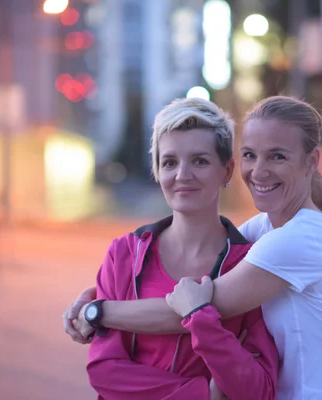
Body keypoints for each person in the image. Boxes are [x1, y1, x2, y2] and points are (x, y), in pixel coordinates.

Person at [65, 96, 322, 400]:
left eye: (277, 156)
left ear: (311, 160)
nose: (259, 171)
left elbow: (190, 308)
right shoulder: (261, 232)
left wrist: (98, 311)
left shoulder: (300, 239)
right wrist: (97, 291)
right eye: (251, 155)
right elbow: (105, 369)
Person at [77, 98, 279, 400]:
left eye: (199, 161)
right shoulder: (124, 256)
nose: (182, 175)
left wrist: (202, 320)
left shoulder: (250, 265)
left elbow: (258, 388)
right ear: (157, 170)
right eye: (170, 162)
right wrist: (201, 394)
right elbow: (105, 371)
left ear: (226, 171)